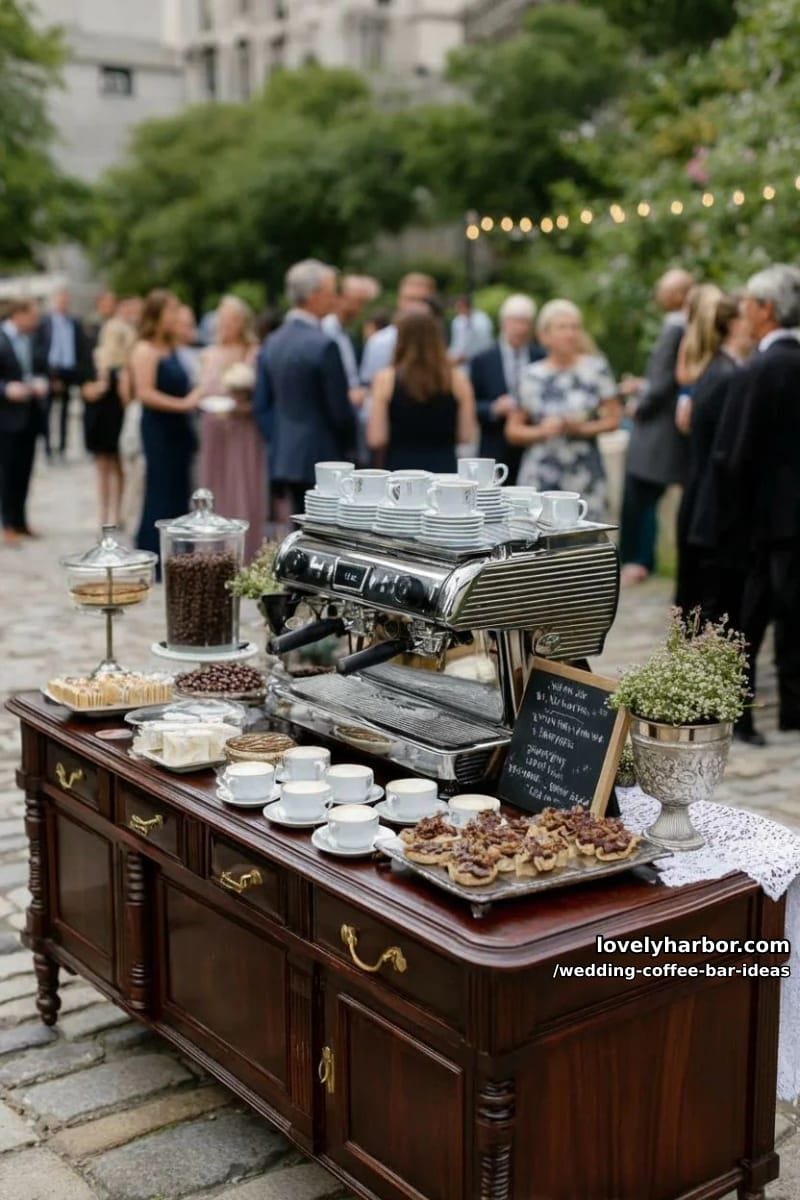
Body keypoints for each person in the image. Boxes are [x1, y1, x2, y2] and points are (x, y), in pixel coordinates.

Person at [715, 264, 800, 745]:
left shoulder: (759, 369)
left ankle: (741, 714)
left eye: (748, 303)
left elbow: (735, 454)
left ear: (766, 309)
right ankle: (793, 708)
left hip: (762, 518)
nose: (743, 311)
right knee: (795, 615)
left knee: (751, 616)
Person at [253, 259, 354, 514]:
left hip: (286, 456)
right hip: (324, 456)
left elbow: (261, 405)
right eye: (332, 292)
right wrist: (350, 448)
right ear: (315, 295)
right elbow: (339, 411)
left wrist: (279, 439)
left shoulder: (272, 341)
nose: (335, 299)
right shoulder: (324, 345)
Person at [506, 299, 622, 521]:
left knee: (586, 543)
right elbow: (513, 431)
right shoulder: (530, 375)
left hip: (584, 475)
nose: (570, 334)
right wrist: (542, 431)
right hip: (541, 474)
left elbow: (613, 419)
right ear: (544, 335)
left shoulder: (596, 369)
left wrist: (580, 428)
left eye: (575, 327)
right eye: (562, 327)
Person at [674, 293, 751, 621]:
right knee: (713, 609)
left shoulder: (718, 369)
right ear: (734, 325)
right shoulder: (727, 376)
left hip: (704, 503)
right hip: (716, 511)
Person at [618, 268, 695, 583]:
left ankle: (638, 560)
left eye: (663, 288)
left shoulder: (674, 328)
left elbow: (662, 382)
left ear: (677, 294)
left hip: (657, 431)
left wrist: (639, 405)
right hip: (664, 428)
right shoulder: (684, 327)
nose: (657, 294)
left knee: (640, 496)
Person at [129, 290, 199, 557]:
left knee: (179, 489)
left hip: (179, 429)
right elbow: (145, 393)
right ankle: (152, 550)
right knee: (160, 489)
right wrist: (184, 404)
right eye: (171, 311)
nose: (176, 316)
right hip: (159, 429)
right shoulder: (145, 349)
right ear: (157, 314)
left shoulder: (171, 348)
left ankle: (178, 553)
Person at [366, 309, 477, 473]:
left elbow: (376, 438)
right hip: (444, 469)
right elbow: (466, 435)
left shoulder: (385, 379)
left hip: (399, 470)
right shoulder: (458, 380)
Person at [198, 295, 265, 559]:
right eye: (222, 318)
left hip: (243, 428)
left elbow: (261, 394)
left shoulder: (254, 352)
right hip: (214, 429)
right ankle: (213, 550)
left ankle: (246, 550)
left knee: (243, 486)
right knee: (214, 485)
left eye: (231, 319)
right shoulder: (208, 353)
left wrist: (241, 407)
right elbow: (201, 391)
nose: (225, 324)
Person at [470, 293, 544, 483]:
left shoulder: (541, 356)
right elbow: (470, 405)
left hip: (533, 445)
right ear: (504, 323)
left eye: (525, 322)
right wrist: (494, 408)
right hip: (495, 445)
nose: (520, 328)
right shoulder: (483, 360)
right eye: (515, 322)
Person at [0, 299, 48, 546]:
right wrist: (6, 389)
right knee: (7, 473)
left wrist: (39, 382)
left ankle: (20, 521)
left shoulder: (30, 339)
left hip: (29, 415)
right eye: (33, 316)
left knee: (25, 471)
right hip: (6, 418)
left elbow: (35, 368)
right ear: (18, 314)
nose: (36, 322)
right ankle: (7, 524)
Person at [81, 316, 135, 527]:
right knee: (103, 468)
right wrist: (101, 384)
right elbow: (86, 391)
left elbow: (127, 397)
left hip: (116, 419)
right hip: (100, 419)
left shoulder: (126, 363)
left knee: (116, 467)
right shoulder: (96, 359)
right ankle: (104, 514)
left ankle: (116, 513)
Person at [34, 288, 93, 460]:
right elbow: (39, 349)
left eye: (66, 302)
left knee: (65, 411)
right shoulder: (44, 322)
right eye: (60, 301)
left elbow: (81, 348)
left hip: (69, 370)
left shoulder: (74, 322)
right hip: (50, 370)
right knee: (47, 411)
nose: (63, 305)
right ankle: (47, 448)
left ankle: (62, 447)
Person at [359, 272, 436, 388]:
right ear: (399, 300)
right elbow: (370, 385)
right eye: (409, 299)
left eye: (421, 301)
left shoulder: (439, 340)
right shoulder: (379, 342)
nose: (414, 306)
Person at [322, 274, 380, 407]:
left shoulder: (346, 334)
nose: (359, 308)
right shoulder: (326, 331)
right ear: (339, 298)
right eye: (357, 301)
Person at [449, 295, 494, 364]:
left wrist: (468, 356)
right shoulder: (457, 321)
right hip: (462, 362)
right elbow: (456, 343)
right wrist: (453, 355)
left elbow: (485, 342)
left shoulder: (482, 319)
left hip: (481, 359)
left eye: (459, 307)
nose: (457, 310)